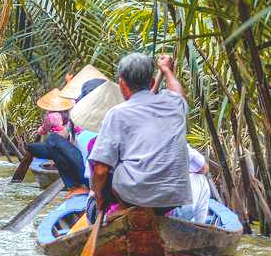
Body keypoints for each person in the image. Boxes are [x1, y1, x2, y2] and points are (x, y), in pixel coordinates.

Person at [87, 53, 190, 222]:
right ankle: (145, 212)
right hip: (173, 196)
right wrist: (166, 71)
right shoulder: (174, 104)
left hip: (133, 196)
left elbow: (100, 170)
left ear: (121, 82)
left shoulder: (117, 113)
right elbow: (177, 92)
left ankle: (123, 208)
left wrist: (99, 200)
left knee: (102, 165)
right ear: (150, 83)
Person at [26, 88, 88, 194]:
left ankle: (75, 185)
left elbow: (43, 131)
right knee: (51, 142)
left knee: (49, 140)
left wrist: (42, 130)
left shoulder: (50, 116)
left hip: (70, 148)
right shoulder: (73, 111)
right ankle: (75, 185)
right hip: (70, 146)